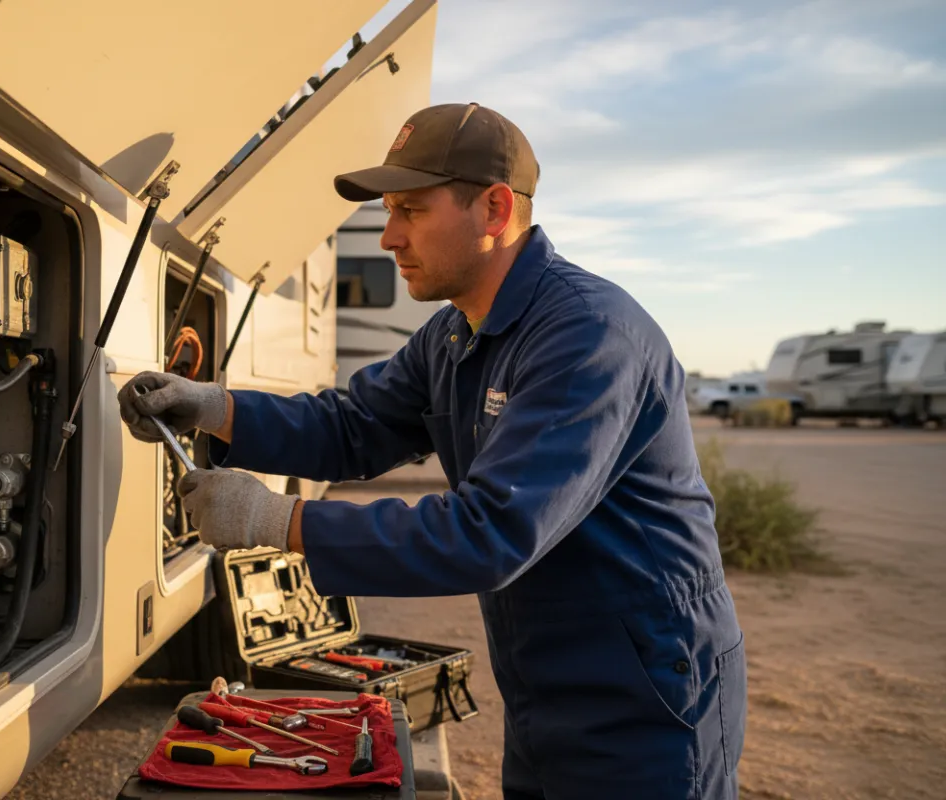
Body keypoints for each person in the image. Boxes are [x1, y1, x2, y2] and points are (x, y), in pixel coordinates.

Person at [119, 103, 747, 799]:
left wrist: (271, 521)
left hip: (644, 689)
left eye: (410, 211)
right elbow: (354, 425)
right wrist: (214, 407)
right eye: (388, 211)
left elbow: (490, 534)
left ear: (495, 208)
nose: (388, 236)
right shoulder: (455, 335)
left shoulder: (589, 337)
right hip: (547, 681)